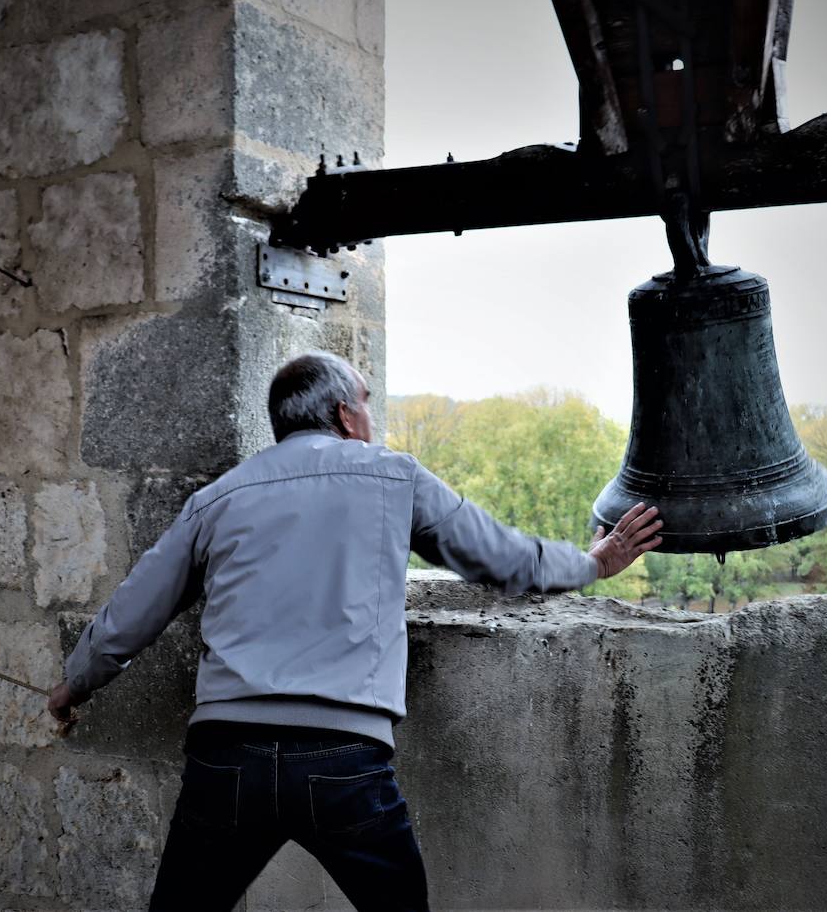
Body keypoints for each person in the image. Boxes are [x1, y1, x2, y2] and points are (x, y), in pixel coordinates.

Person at [48, 351, 662, 912]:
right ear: (345, 414)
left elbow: (131, 614)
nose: (370, 415)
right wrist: (595, 563)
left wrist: (72, 687)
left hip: (227, 760)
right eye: (366, 402)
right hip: (344, 760)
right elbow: (506, 559)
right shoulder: (394, 477)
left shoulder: (218, 498)